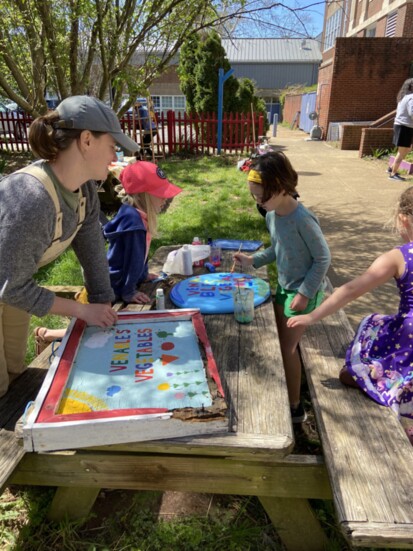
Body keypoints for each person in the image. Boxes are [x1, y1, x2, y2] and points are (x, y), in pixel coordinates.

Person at [0, 95, 140, 397]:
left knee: (15, 372)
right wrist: (81, 311)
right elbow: (12, 287)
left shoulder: (85, 190)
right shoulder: (32, 200)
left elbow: (92, 250)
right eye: (112, 144)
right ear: (86, 140)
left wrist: (103, 303)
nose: (115, 155)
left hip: (12, 281)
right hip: (10, 284)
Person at [287, 187, 413, 444]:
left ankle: (393, 392)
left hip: (407, 343)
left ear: (403, 219)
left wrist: (313, 317)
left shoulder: (399, 257)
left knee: (355, 367)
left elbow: (351, 289)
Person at [233, 151, 331, 422]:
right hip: (286, 287)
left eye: (260, 196)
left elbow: (323, 259)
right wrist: (252, 260)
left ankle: (295, 406)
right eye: (253, 196)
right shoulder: (272, 215)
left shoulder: (303, 220)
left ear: (280, 186)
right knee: (281, 340)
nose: (258, 202)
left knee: (287, 348)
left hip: (303, 292)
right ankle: (287, 386)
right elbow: (277, 249)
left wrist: (304, 293)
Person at [103, 161, 182, 304]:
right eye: (160, 193)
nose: (165, 198)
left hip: (124, 281)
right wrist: (129, 292)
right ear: (143, 195)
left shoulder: (136, 214)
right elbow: (133, 260)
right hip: (116, 287)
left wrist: (143, 275)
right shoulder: (134, 222)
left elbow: (141, 255)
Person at [389, 78, 413, 181]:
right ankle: (393, 174)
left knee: (407, 148)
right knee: (402, 151)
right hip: (405, 127)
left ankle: (391, 168)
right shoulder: (411, 97)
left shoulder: (403, 97)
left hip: (402, 126)